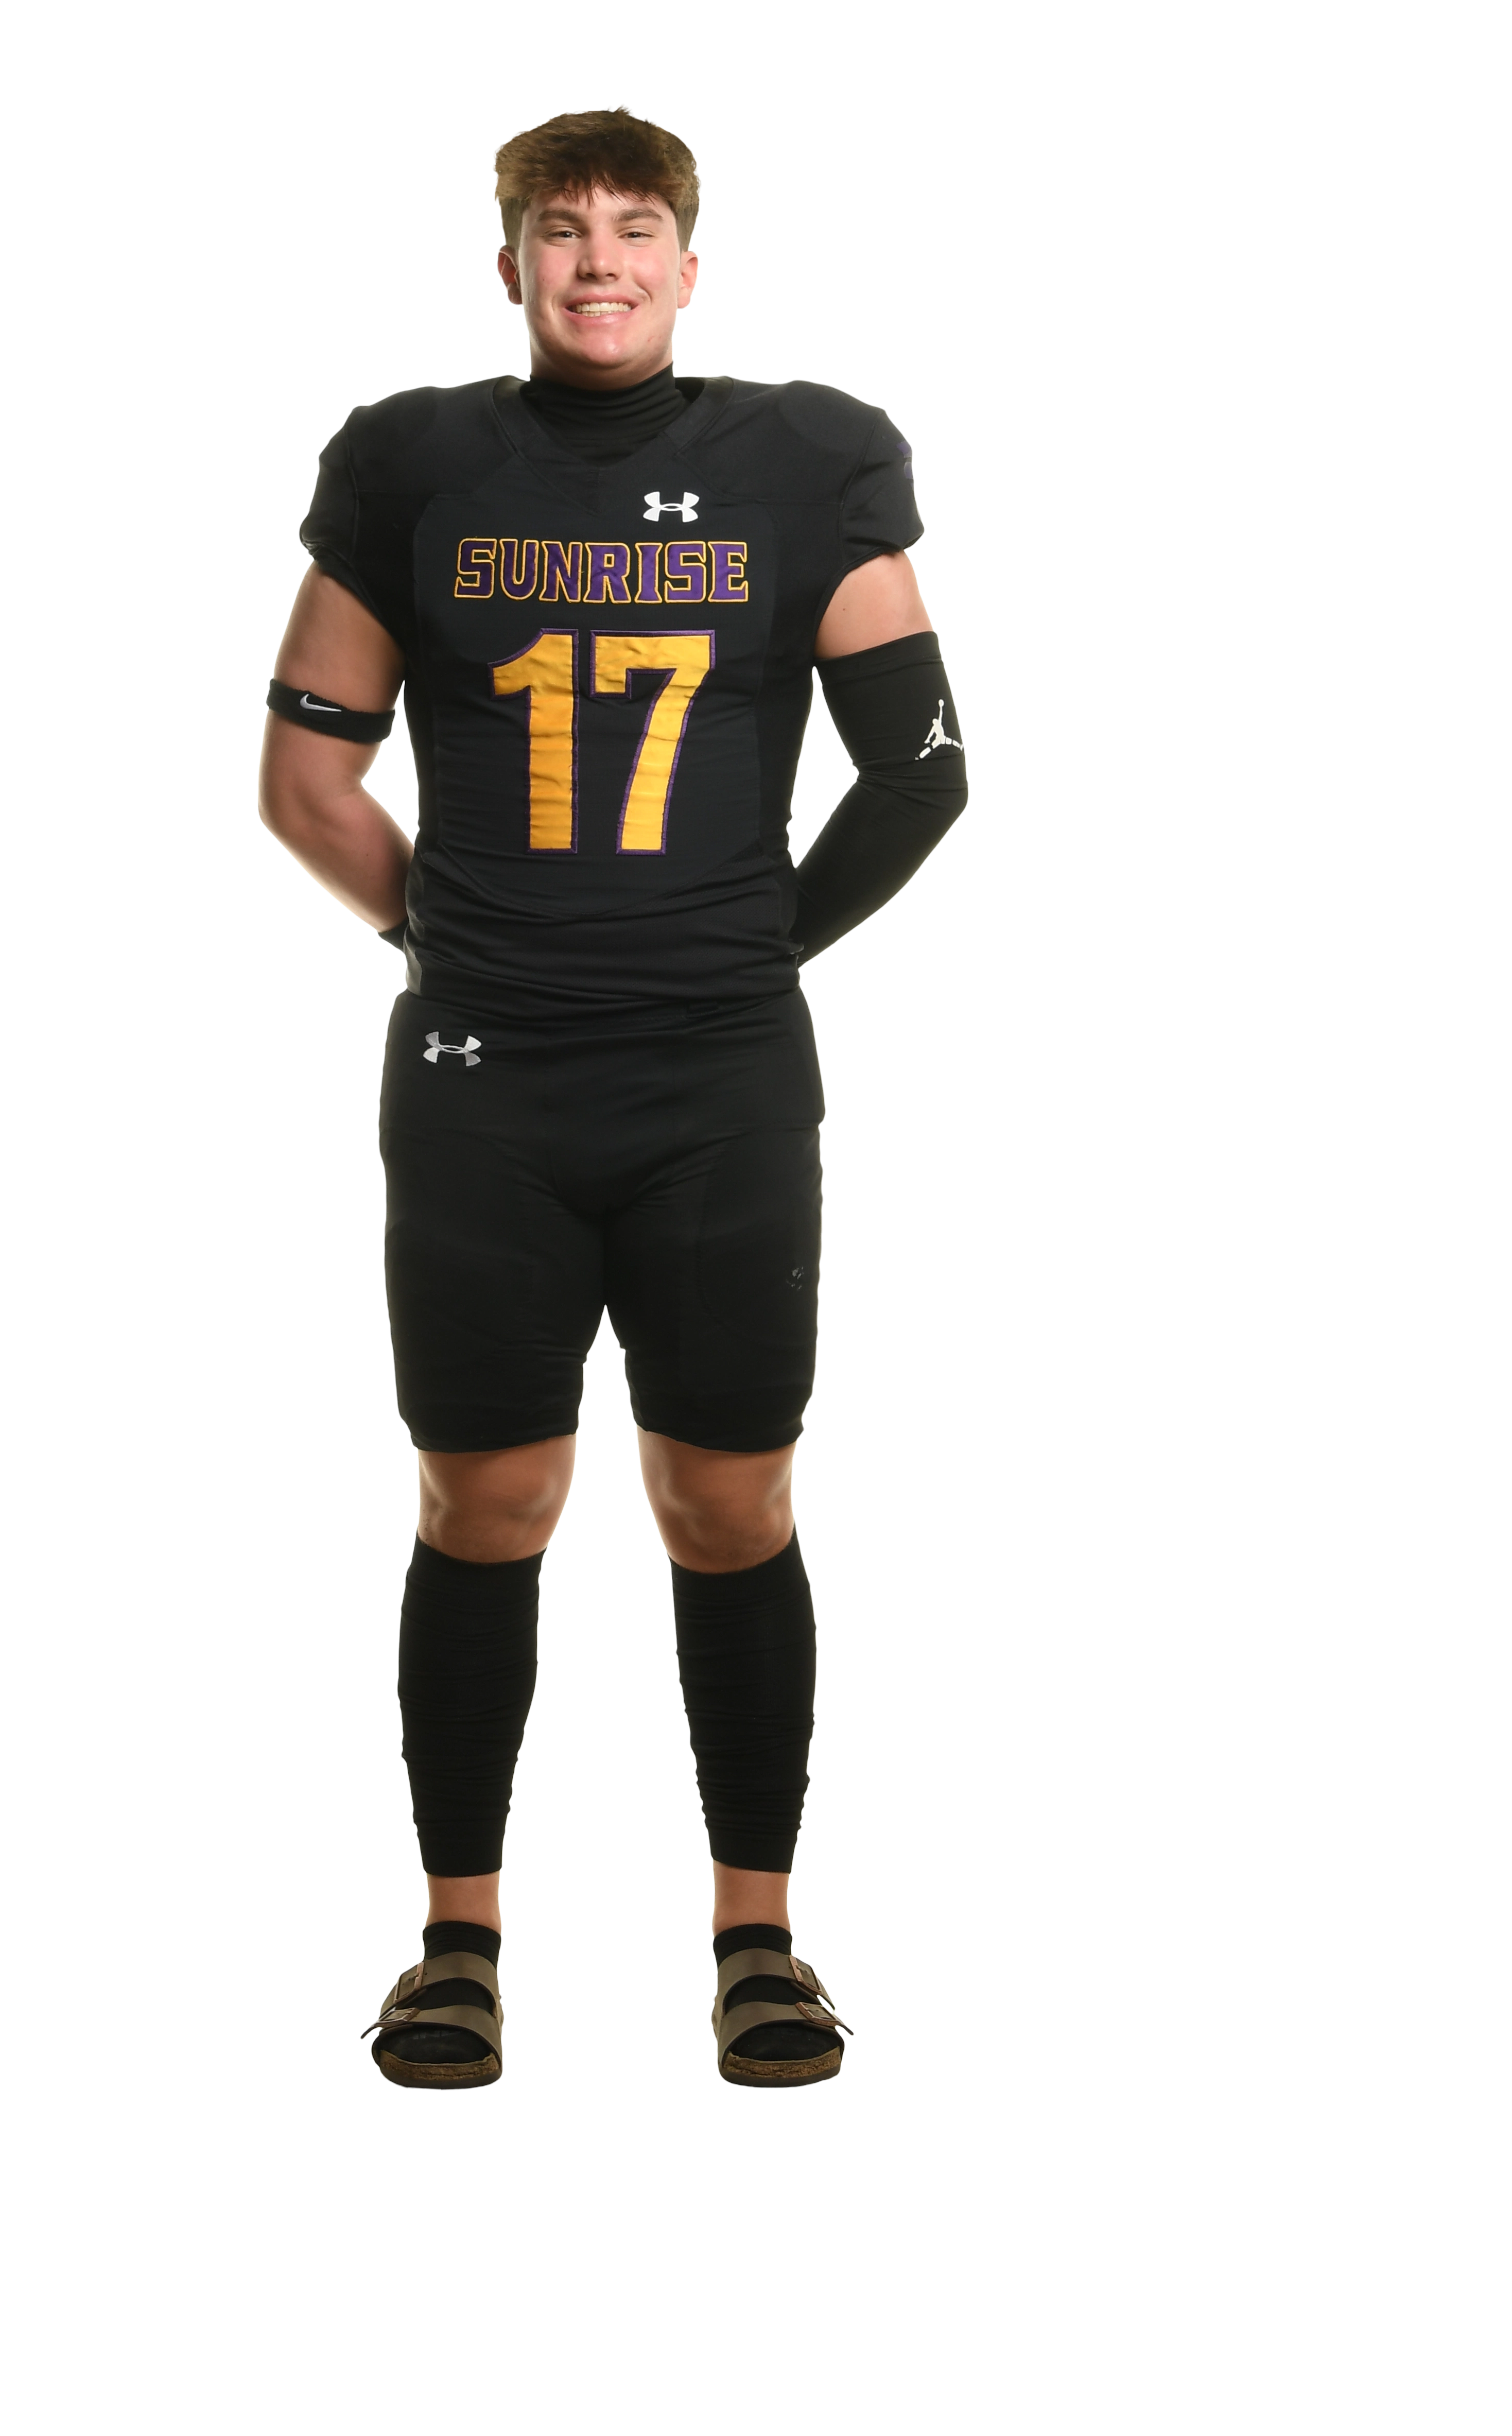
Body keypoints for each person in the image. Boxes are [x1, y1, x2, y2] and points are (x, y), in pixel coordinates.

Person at [258, 103, 968, 2088]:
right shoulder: (413, 460)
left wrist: (740, 953)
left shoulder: (809, 457)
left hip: (718, 1079)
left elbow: (923, 771)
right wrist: (454, 942)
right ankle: (455, 1948)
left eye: (636, 227)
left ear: (687, 263)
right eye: (559, 226)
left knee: (729, 1503)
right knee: (484, 1499)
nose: (598, 258)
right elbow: (306, 778)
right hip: (484, 1081)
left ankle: (759, 1942)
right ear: (508, 263)